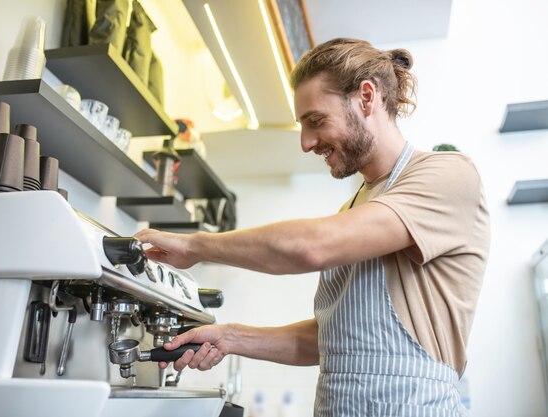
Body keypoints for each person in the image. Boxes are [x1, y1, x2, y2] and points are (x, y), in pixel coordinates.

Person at [135, 38, 490, 417]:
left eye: (316, 121)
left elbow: (311, 247)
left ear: (366, 98)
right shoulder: (353, 207)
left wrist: (196, 246)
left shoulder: (448, 174)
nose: (306, 142)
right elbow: (332, 341)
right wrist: (230, 336)